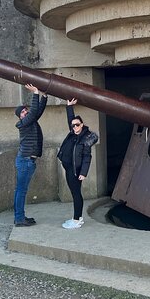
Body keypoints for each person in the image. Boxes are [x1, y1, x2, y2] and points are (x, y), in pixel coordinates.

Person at [57, 98, 98, 229]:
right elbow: (70, 119)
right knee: (74, 192)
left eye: (77, 125)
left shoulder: (86, 138)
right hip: (69, 168)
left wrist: (83, 173)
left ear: (82, 124)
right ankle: (77, 218)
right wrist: (69, 107)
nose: (75, 127)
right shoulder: (73, 132)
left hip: (76, 170)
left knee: (76, 193)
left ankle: (77, 220)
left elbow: (87, 157)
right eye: (73, 125)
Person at [13, 83, 48, 227]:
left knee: (21, 190)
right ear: (20, 116)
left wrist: (44, 97)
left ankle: (20, 217)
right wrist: (35, 93)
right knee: (21, 191)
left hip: (27, 161)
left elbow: (37, 112)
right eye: (23, 112)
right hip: (25, 161)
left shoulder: (30, 120)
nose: (25, 112)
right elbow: (34, 113)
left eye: (25, 110)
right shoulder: (23, 124)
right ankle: (19, 219)